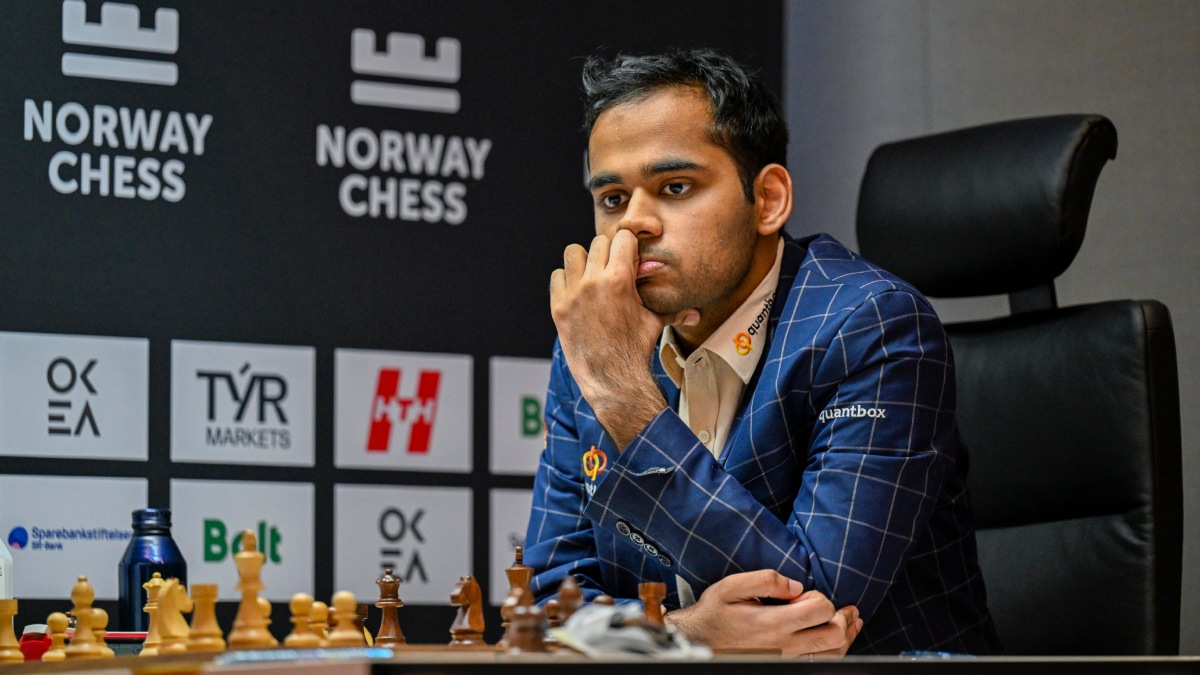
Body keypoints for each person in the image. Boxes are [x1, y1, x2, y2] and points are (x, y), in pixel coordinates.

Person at [525, 48, 1002, 656]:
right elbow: (548, 604)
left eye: (675, 187)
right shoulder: (594, 345)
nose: (634, 224)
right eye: (613, 198)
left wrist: (626, 401)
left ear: (769, 199)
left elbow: (808, 619)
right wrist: (685, 634)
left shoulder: (872, 327)